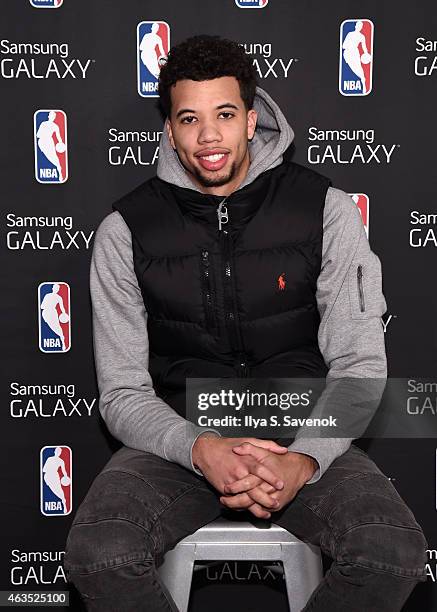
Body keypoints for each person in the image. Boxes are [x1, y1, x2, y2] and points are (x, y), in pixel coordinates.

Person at [64, 35, 428, 611]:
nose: (209, 137)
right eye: (190, 119)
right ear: (170, 129)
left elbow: (359, 366)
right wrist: (198, 447)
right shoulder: (125, 230)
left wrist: (304, 457)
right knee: (100, 550)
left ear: (252, 118)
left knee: (391, 551)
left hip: (303, 430)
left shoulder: (325, 210)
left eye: (225, 115)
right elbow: (123, 391)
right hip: (176, 441)